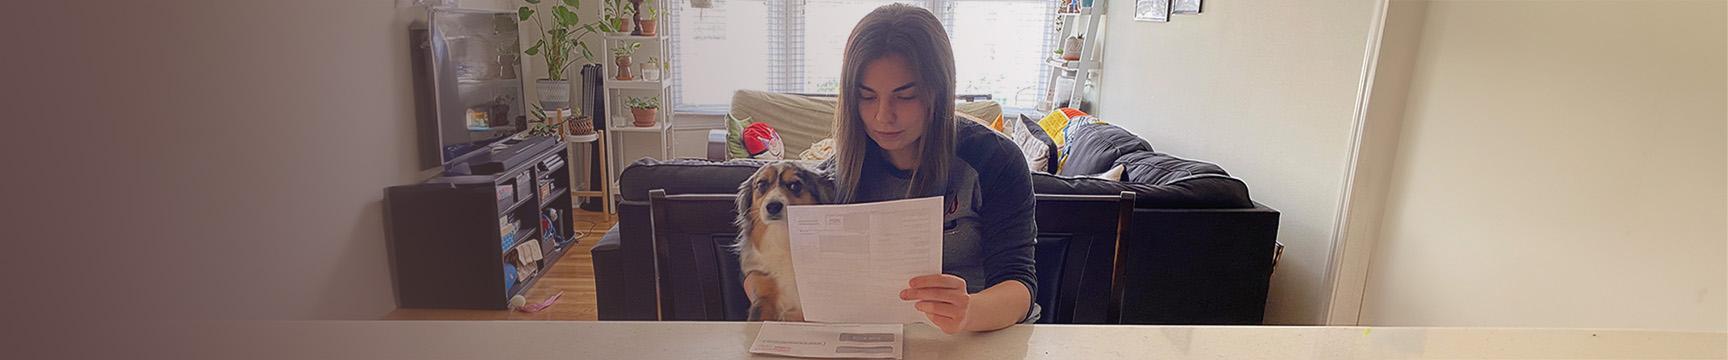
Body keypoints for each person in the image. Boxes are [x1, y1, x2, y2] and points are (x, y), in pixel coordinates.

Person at [828, 3, 1039, 333]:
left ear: (939, 91)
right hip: (876, 335)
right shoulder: (838, 170)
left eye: (906, 96)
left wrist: (969, 311)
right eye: (866, 97)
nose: (883, 116)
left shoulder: (994, 159)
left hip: (981, 335)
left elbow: (1019, 285)